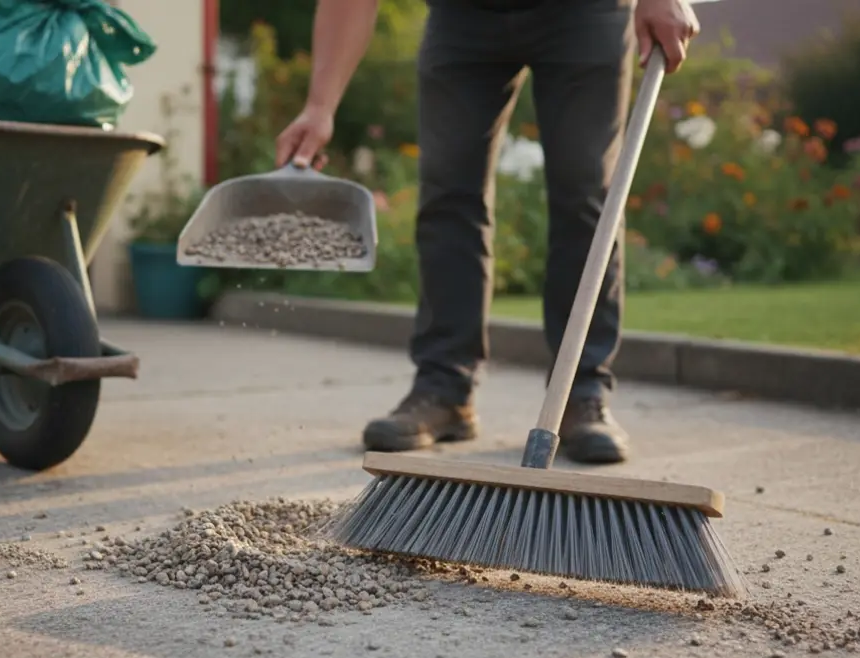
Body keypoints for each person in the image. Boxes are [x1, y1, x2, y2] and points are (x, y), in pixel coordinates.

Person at [276, 0, 700, 465]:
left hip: (586, 12)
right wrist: (319, 107)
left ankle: (582, 396)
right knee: (448, 195)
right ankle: (444, 390)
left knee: (586, 196)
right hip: (464, 16)